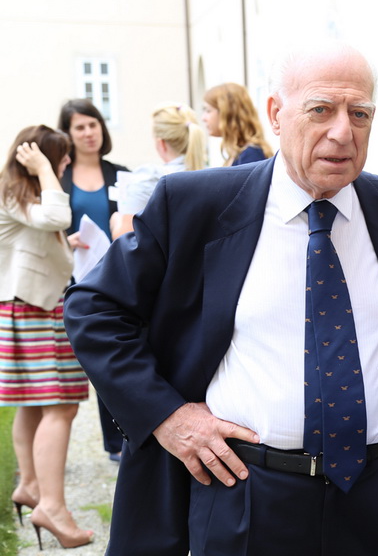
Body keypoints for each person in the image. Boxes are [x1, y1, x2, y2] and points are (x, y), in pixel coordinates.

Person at [64, 42, 378, 556]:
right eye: (321, 109)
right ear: (275, 113)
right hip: (246, 495)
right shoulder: (195, 205)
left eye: (359, 113)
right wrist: (167, 416)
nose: (342, 132)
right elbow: (94, 308)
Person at [0, 125, 94, 549]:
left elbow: (39, 233)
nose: (68, 162)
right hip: (34, 309)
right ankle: (52, 507)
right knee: (61, 406)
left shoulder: (19, 195)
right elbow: (57, 215)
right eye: (62, 156)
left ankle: (32, 486)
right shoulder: (14, 191)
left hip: (29, 307)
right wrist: (43, 168)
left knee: (36, 404)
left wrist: (64, 245)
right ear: (41, 158)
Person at [57, 98, 127, 463]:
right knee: (89, 361)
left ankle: (121, 441)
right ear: (68, 134)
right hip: (74, 281)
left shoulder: (121, 174)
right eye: (79, 127)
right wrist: (63, 240)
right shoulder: (59, 179)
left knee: (116, 355)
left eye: (93, 124)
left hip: (118, 278)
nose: (88, 133)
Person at [110, 103, 206, 239]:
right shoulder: (209, 176)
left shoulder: (149, 177)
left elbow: (125, 239)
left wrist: (116, 221)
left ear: (161, 143)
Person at [202, 82, 274, 166]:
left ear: (227, 113)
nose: (203, 118)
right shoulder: (237, 154)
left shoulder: (251, 155)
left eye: (208, 111)